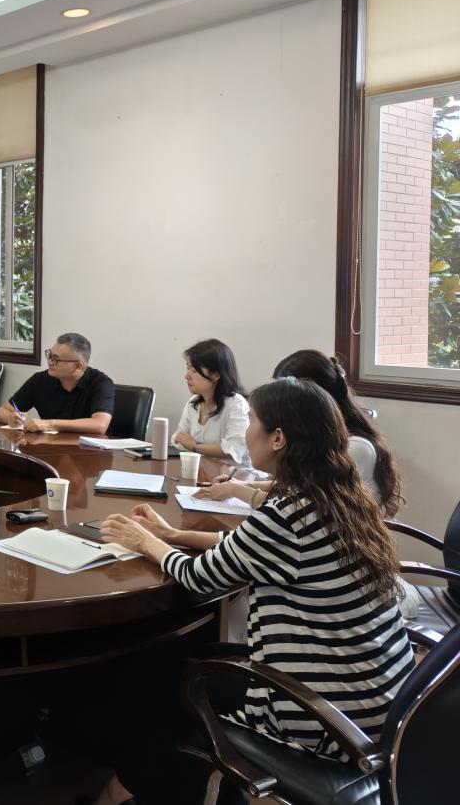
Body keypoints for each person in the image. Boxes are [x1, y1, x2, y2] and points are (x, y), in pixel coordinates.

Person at [93, 377, 412, 805]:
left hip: (324, 717)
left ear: (278, 438)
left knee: (176, 693)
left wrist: (145, 542)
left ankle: (117, 796)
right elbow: (247, 547)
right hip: (380, 702)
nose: (247, 432)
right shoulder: (341, 497)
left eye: (254, 421)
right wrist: (172, 535)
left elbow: (198, 576)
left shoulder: (286, 515)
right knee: (188, 664)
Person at [196, 349, 404, 517]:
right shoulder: (317, 436)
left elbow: (303, 508)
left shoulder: (352, 447)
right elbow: (299, 487)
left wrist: (237, 490)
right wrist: (246, 484)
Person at [0, 332, 113, 434]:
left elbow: (100, 425)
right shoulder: (40, 380)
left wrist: (49, 424)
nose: (50, 361)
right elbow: (0, 412)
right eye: (49, 355)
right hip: (50, 447)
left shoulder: (101, 383)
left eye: (56, 359)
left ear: (78, 366)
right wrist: (11, 418)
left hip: (89, 451)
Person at [172, 339, 249, 463]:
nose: (187, 376)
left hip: (233, 473)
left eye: (194, 371)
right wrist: (186, 443)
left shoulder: (236, 404)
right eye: (187, 368)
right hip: (203, 471)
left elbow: (233, 449)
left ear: (216, 375)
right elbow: (179, 439)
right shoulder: (193, 404)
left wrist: (195, 446)